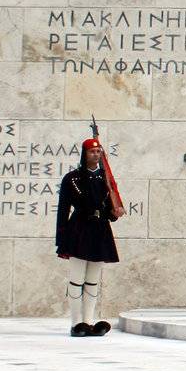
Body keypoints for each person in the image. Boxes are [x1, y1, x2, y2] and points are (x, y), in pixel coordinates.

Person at [56, 137, 123, 337]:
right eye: (92, 152)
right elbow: (63, 210)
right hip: (79, 229)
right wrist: (61, 238)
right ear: (84, 154)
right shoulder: (73, 179)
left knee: (93, 280)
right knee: (77, 279)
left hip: (100, 229)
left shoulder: (106, 179)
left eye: (98, 151)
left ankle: (88, 321)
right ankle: (76, 322)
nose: (96, 154)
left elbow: (109, 209)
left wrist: (115, 212)